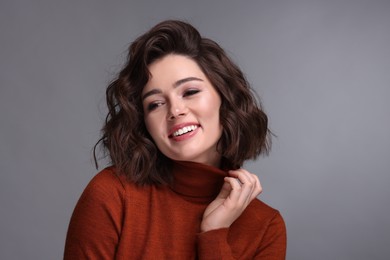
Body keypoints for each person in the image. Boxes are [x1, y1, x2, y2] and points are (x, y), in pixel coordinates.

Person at [64, 20, 286, 259]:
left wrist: (214, 234)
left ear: (226, 97)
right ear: (144, 122)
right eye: (155, 104)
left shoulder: (266, 227)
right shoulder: (112, 194)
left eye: (190, 92)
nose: (175, 110)